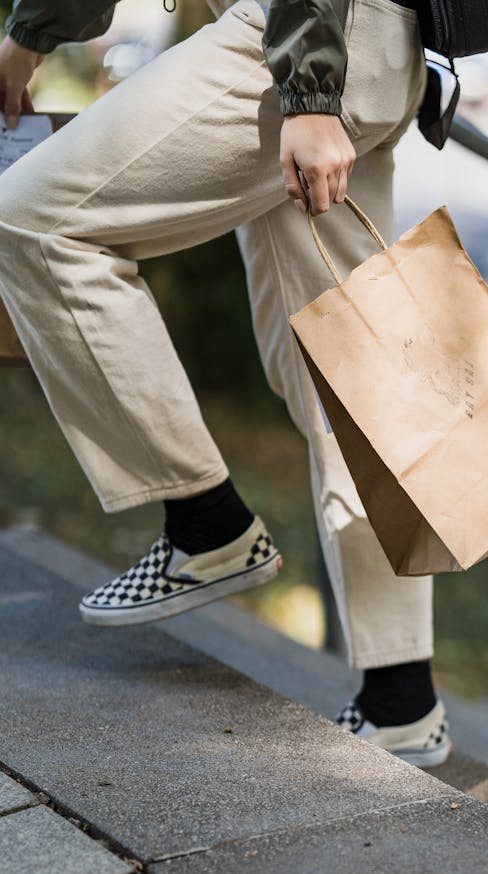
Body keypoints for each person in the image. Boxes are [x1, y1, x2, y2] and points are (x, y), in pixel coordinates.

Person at [0, 0, 452, 768]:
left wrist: (309, 93)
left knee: (33, 219)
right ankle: (402, 699)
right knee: (340, 369)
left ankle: (207, 525)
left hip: (302, 40)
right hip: (351, 44)